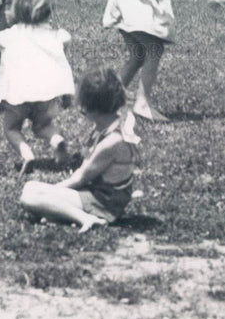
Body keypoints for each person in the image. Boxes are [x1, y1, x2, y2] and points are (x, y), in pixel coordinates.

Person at [19, 67, 141, 232]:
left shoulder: (112, 142)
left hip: (104, 202)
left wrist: (51, 193)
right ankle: (57, 213)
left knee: (29, 197)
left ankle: (86, 218)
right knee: (31, 187)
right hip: (100, 193)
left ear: (91, 108)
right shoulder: (109, 127)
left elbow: (80, 178)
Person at [0, 0, 74, 173]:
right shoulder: (58, 36)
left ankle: (27, 154)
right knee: (43, 125)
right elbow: (63, 56)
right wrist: (65, 94)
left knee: (11, 127)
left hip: (18, 92)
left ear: (16, 11)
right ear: (48, 12)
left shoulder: (7, 37)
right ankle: (57, 141)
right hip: (46, 93)